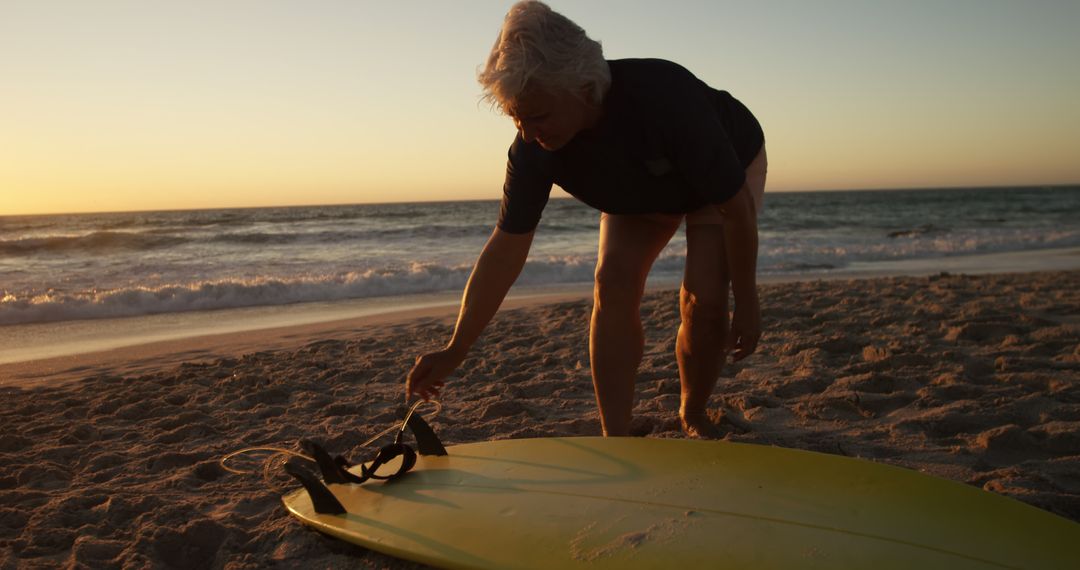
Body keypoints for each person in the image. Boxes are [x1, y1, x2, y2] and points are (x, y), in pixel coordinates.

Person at [406, 0, 766, 439]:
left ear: (582, 87)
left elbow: (736, 208)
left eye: (537, 115)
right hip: (642, 190)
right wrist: (454, 348)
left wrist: (746, 301)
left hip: (722, 178)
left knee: (704, 300)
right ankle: (618, 430)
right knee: (612, 282)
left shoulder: (665, 99)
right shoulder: (534, 149)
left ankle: (693, 413)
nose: (526, 131)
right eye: (515, 117)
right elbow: (505, 249)